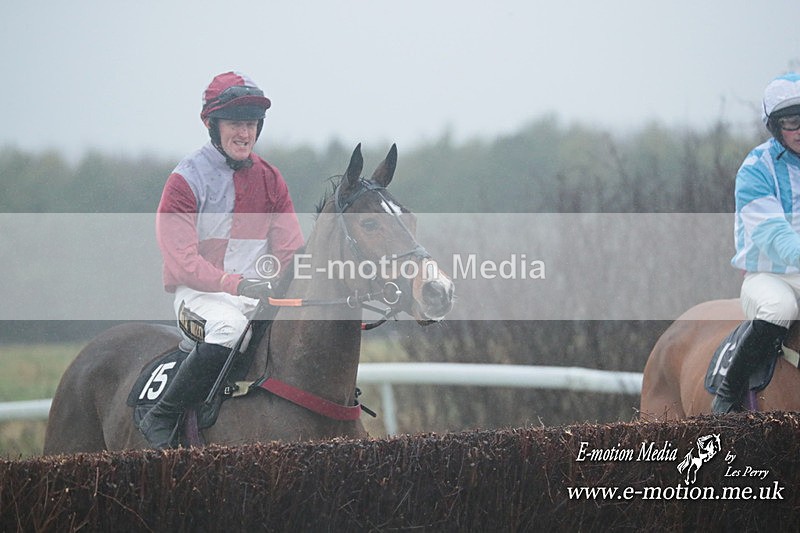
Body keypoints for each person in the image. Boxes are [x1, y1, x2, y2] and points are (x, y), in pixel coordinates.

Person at [139, 71, 305, 448]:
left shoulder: (271, 179)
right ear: (211, 125)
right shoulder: (184, 181)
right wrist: (235, 284)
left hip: (254, 295)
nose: (244, 133)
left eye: (251, 124)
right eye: (235, 124)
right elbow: (182, 262)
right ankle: (162, 415)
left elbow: (290, 250)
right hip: (198, 298)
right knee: (230, 327)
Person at [715, 72, 800, 413]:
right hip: (769, 276)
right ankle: (728, 395)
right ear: (775, 127)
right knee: (780, 309)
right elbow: (774, 235)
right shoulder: (756, 168)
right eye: (792, 122)